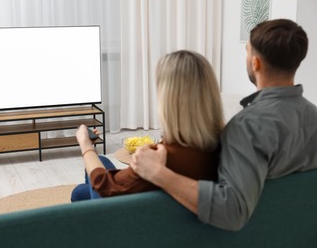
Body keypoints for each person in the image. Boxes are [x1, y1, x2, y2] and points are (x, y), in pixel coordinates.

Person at [130, 19, 317, 231]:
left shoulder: (246, 127)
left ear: (255, 63)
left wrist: (158, 173)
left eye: (247, 51)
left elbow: (232, 211)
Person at [71, 50, 224, 201]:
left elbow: (104, 186)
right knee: (100, 162)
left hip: (125, 213)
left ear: (169, 98)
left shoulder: (161, 159)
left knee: (79, 192)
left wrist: (85, 145)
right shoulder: (224, 142)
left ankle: (93, 217)